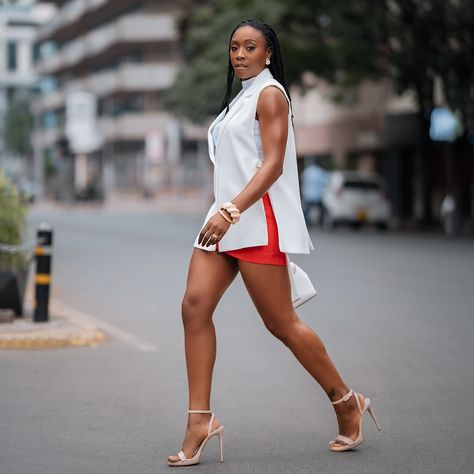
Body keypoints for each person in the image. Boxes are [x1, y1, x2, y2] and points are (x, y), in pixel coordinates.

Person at [167, 19, 381, 467]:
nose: (240, 54)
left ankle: (346, 401)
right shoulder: (240, 99)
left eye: (250, 47)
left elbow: (273, 165)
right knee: (194, 307)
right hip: (224, 217)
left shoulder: (270, 95)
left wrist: (230, 212)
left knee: (281, 323)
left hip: (250, 219)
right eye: (234, 47)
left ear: (267, 54)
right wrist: (221, 212)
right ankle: (199, 420)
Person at [302, 159, 330, 227]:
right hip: (318, 196)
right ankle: (321, 223)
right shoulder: (320, 171)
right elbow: (327, 181)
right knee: (322, 210)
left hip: (308, 195)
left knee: (306, 211)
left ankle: (305, 223)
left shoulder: (307, 171)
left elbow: (302, 180)